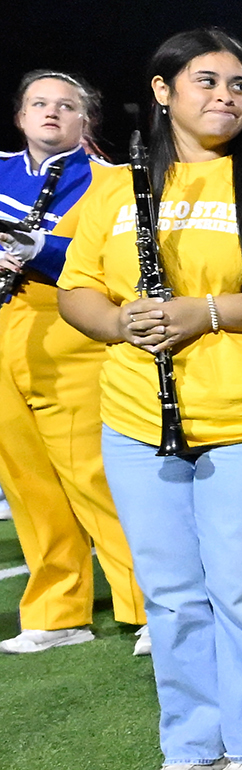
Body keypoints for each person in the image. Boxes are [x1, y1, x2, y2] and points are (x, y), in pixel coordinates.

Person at [57, 28, 242, 770]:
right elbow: (78, 290)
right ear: (163, 93)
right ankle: (194, 748)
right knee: (173, 596)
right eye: (207, 81)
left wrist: (209, 312)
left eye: (240, 84)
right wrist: (120, 322)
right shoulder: (116, 190)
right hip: (139, 419)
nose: (226, 96)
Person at [0, 70, 147, 655]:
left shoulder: (112, 181)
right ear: (20, 116)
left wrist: (41, 249)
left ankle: (150, 607)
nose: (51, 113)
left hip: (73, 325)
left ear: (86, 122)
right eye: (39, 104)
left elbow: (122, 258)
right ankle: (57, 613)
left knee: (97, 475)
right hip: (6, 328)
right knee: (26, 480)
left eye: (66, 106)